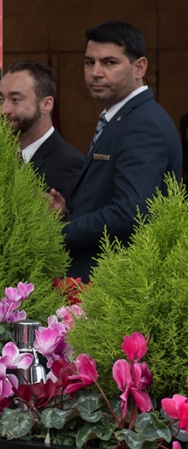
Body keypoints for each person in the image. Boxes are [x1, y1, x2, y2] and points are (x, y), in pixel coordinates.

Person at [49, 21, 182, 280]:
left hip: (118, 285)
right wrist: (68, 212)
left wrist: (56, 235)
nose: (96, 73)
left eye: (109, 63)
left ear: (139, 67)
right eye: (89, 62)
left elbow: (129, 213)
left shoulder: (143, 125)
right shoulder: (124, 118)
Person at [0, 60, 84, 201]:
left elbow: (75, 220)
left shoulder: (70, 165)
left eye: (15, 99)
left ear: (46, 104)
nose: (3, 110)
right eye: (1, 99)